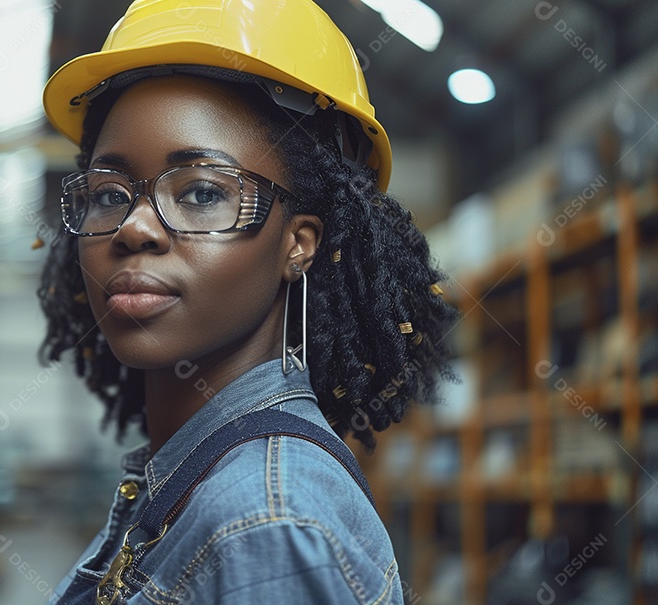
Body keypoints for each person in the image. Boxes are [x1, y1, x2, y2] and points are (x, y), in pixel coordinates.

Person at [37, 1, 457, 602]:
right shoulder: (193, 483)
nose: (134, 228)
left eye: (202, 192)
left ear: (299, 244)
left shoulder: (265, 526)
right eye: (108, 194)